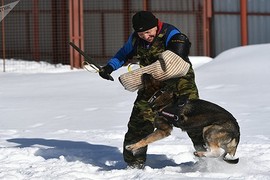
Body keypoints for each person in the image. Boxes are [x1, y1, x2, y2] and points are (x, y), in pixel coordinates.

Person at [99, 11, 204, 169]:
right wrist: (109, 67)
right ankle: (134, 163)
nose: (145, 36)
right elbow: (123, 54)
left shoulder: (170, 33)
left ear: (157, 25)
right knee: (139, 123)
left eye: (148, 32)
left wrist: (179, 47)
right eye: (141, 33)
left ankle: (210, 159)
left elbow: (179, 55)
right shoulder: (135, 39)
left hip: (180, 85)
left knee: (193, 121)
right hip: (152, 88)